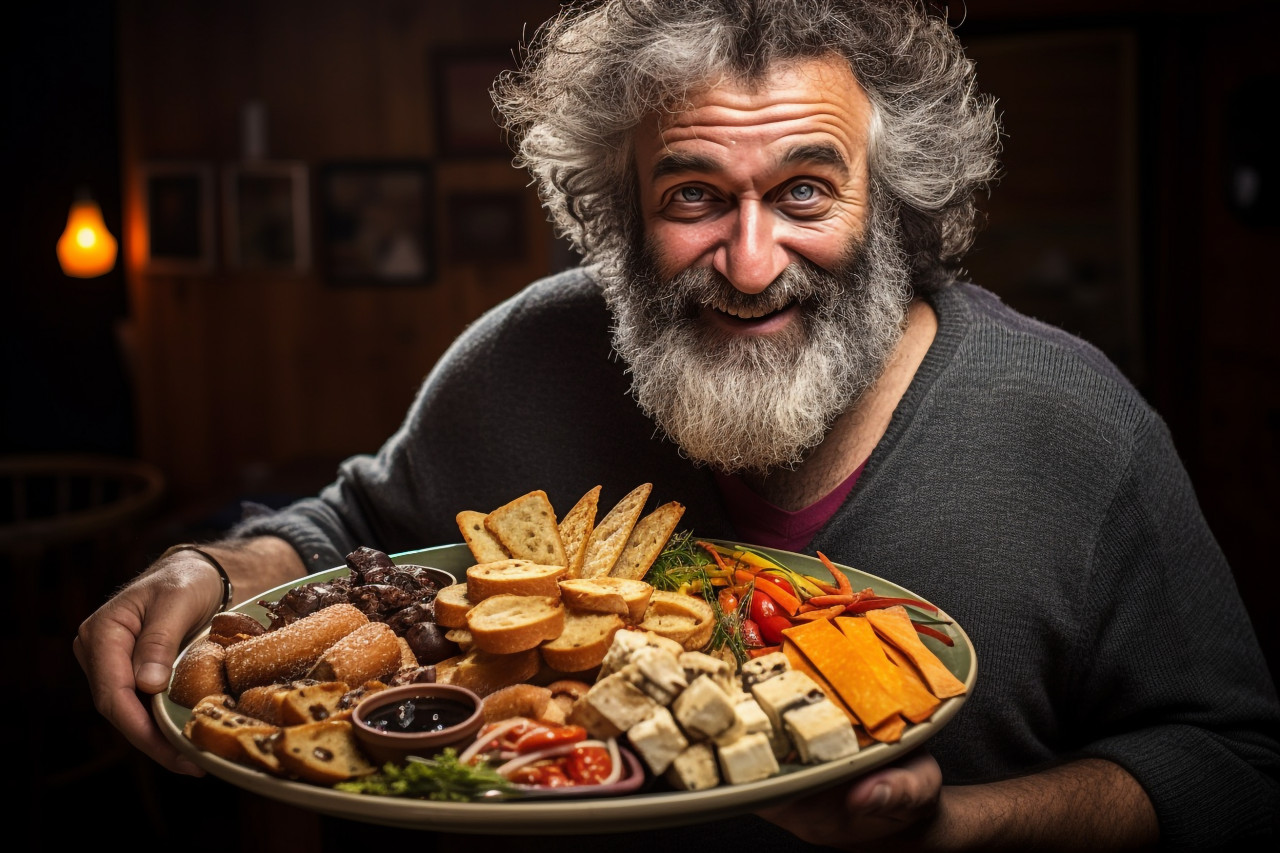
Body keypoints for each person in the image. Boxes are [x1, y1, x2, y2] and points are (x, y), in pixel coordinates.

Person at [75, 1, 1279, 849]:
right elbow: (354, 531)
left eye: (804, 190)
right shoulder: (521, 358)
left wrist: (953, 832)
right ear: (616, 211)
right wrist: (211, 563)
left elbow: (1228, 765)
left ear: (896, 198)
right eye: (693, 194)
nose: (750, 264)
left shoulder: (1076, 426)